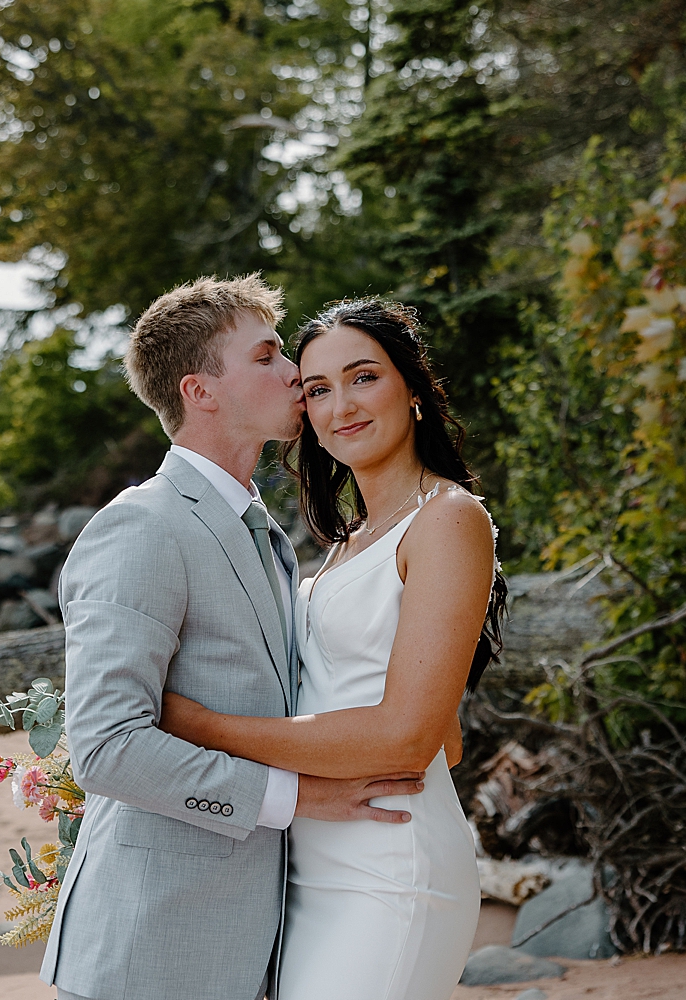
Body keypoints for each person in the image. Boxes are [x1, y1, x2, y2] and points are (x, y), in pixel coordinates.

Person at [38, 276, 429, 1000]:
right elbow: (106, 747)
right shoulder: (143, 526)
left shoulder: (264, 532)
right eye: (268, 355)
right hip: (151, 950)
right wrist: (295, 797)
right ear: (200, 391)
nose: (295, 374)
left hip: (256, 948)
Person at [160, 298, 507, 1000]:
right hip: (309, 867)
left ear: (412, 389)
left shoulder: (448, 520)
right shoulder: (346, 544)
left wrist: (199, 728)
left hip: (390, 866)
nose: (341, 404)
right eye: (318, 389)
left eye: (364, 377)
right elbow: (444, 734)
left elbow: (409, 740)